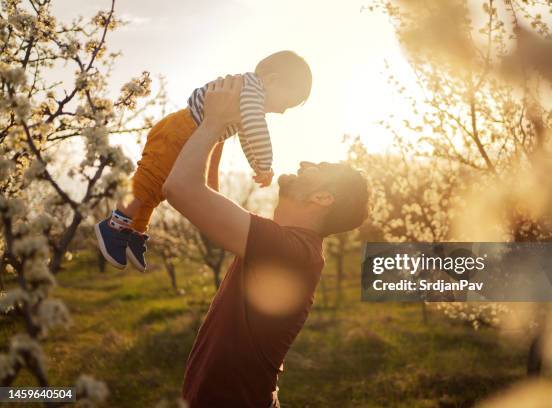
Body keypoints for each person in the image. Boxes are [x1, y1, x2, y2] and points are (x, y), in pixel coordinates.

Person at [163, 74, 369, 407]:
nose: (306, 163)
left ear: (323, 198)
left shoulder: (290, 251)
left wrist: (214, 121)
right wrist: (220, 130)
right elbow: (208, 205)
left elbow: (180, 190)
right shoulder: (292, 246)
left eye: (320, 166)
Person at [95, 51, 312, 272]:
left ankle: (134, 231)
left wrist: (256, 164)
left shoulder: (249, 98)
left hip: (187, 134)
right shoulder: (253, 90)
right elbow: (256, 128)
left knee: (158, 189)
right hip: (180, 132)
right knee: (149, 180)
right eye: (287, 102)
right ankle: (114, 225)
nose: (284, 111)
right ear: (273, 80)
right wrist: (266, 163)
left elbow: (247, 135)